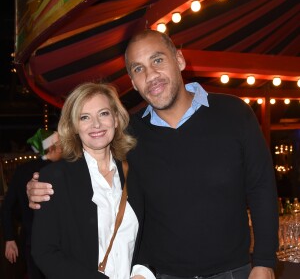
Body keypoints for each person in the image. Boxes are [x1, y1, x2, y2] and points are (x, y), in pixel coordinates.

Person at [27, 30, 279, 279]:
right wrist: (39, 184)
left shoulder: (233, 113)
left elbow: (261, 186)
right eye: (138, 69)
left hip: (233, 272)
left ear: (179, 60)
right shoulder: (130, 135)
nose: (151, 75)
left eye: (157, 60)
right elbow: (86, 160)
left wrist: (265, 261)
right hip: (163, 274)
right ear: (133, 82)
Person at [30, 82, 155, 279]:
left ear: (115, 119)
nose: (96, 124)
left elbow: (149, 232)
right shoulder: (55, 179)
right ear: (74, 127)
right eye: (84, 117)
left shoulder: (135, 172)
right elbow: (44, 252)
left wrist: (142, 272)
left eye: (103, 113)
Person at [1, 128, 61, 279]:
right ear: (52, 147)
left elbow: (6, 207)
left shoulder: (22, 170)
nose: (64, 148)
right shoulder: (61, 170)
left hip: (32, 242)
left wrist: (9, 238)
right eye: (61, 145)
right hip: (59, 244)